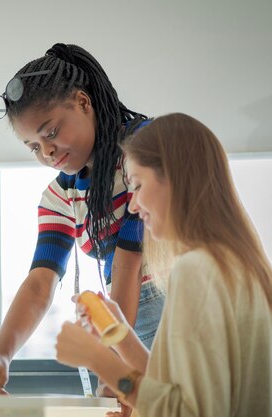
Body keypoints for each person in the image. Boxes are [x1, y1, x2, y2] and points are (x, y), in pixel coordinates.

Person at [0, 43, 165, 396]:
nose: (46, 152)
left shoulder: (144, 151)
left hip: (184, 328)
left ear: (83, 102)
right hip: (131, 336)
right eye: (33, 146)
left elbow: (128, 261)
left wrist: (111, 374)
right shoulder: (60, 196)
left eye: (50, 133)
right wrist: (0, 354)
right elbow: (39, 284)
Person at [55, 113, 272, 417]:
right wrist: (121, 334)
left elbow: (189, 411)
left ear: (174, 178)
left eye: (138, 185)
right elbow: (178, 389)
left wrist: (97, 359)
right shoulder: (235, 265)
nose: (132, 205)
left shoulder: (198, 270)